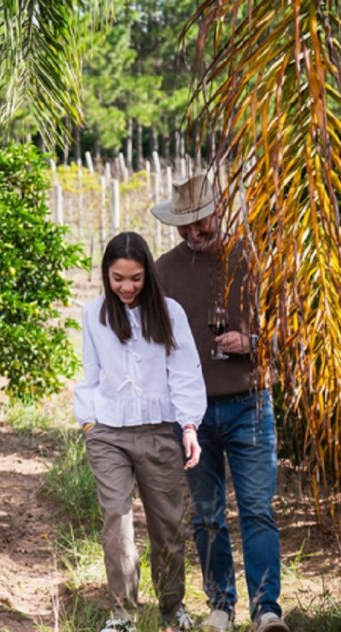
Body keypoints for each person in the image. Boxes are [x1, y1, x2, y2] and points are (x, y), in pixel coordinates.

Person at [152, 171, 289, 632]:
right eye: (184, 227)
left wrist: (253, 341)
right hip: (192, 414)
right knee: (207, 516)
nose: (193, 234)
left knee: (256, 509)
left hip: (250, 403)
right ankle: (220, 607)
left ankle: (267, 610)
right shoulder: (164, 269)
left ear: (219, 213)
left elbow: (293, 332)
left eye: (201, 225)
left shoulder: (254, 259)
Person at [74, 231, 206, 632]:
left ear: (147, 273)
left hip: (157, 434)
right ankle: (123, 614)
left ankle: (172, 608)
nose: (126, 287)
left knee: (167, 526)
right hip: (109, 434)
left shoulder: (170, 313)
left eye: (134, 278)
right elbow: (90, 375)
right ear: (106, 275)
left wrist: (188, 426)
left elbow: (184, 374)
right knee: (116, 520)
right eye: (117, 278)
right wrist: (89, 423)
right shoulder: (94, 315)